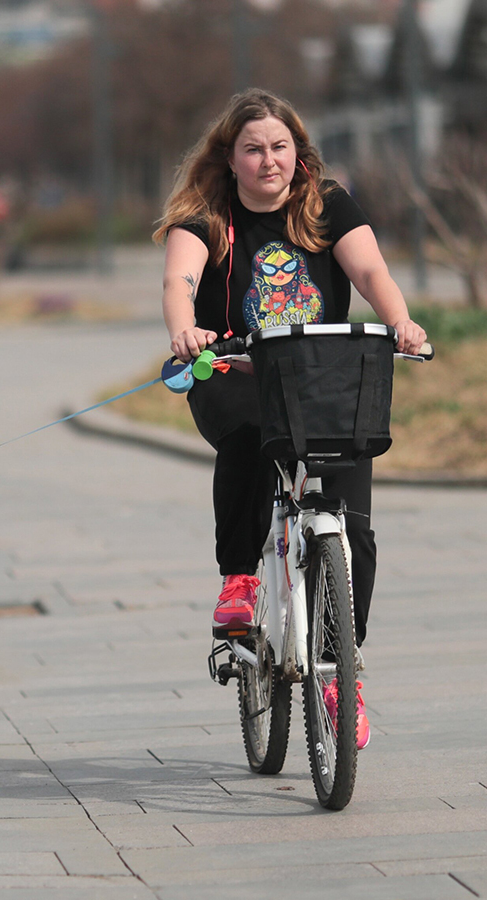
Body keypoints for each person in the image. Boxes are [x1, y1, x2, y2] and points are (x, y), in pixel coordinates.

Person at [155, 89, 426, 749]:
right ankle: (241, 578)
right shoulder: (208, 217)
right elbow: (179, 283)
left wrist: (401, 322)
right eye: (253, 149)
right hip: (234, 371)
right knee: (248, 438)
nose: (268, 160)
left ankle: (341, 670)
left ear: (298, 153)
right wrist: (186, 331)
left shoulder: (327, 206)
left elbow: (369, 269)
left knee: (353, 529)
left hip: (320, 377)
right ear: (232, 157)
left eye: (280, 147)